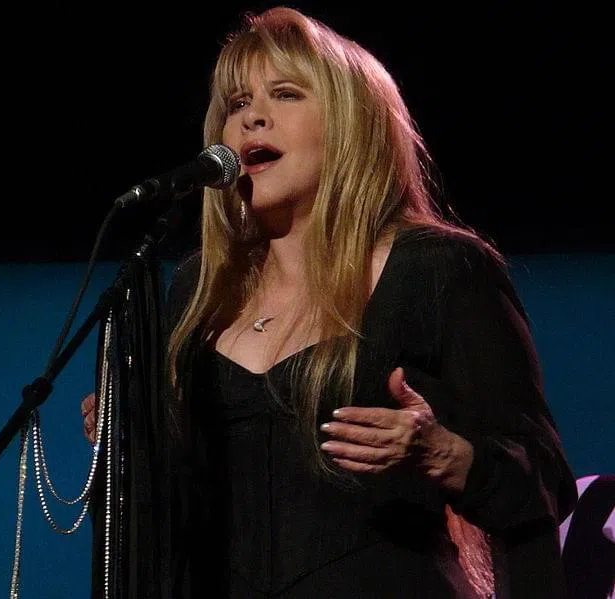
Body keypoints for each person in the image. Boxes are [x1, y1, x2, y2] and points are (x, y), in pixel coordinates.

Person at [81, 6, 577, 597]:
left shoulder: (438, 269)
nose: (252, 118)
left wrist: (443, 454)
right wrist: (137, 436)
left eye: (285, 94)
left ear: (351, 123)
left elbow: (542, 475)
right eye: (236, 104)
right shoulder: (201, 290)